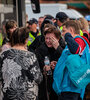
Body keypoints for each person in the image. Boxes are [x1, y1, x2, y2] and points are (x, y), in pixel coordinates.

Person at [0, 27, 43, 100]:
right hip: (27, 95)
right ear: (26, 40)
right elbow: (38, 78)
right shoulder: (30, 56)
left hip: (8, 95)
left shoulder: (3, 54)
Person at [53, 20, 90, 100]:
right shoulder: (72, 42)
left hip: (71, 88)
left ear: (71, 30)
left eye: (64, 31)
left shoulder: (79, 40)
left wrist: (67, 36)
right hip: (65, 87)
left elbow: (75, 50)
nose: (62, 34)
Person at [35, 24, 65, 100]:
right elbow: (36, 68)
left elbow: (67, 61)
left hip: (61, 84)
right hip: (46, 85)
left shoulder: (63, 47)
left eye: (51, 39)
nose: (48, 41)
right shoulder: (40, 50)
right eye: (46, 38)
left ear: (58, 39)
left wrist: (58, 48)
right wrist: (44, 69)